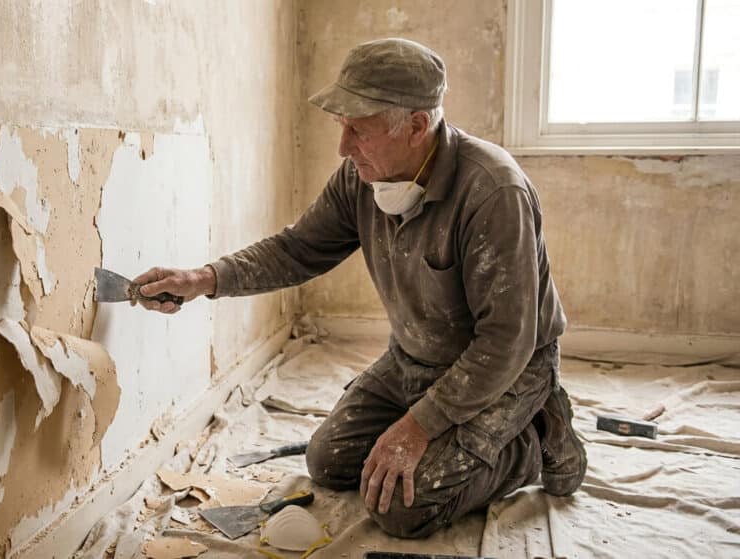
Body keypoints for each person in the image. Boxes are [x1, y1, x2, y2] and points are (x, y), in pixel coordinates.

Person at [131, 37, 587, 538]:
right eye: (340, 127)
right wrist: (204, 279)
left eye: (358, 130)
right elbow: (297, 249)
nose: (344, 147)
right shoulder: (361, 178)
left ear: (417, 125)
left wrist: (417, 428)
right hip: (414, 360)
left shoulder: (493, 191)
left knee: (402, 510)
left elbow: (506, 342)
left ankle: (535, 438)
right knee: (330, 463)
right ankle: (465, 430)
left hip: (508, 370)